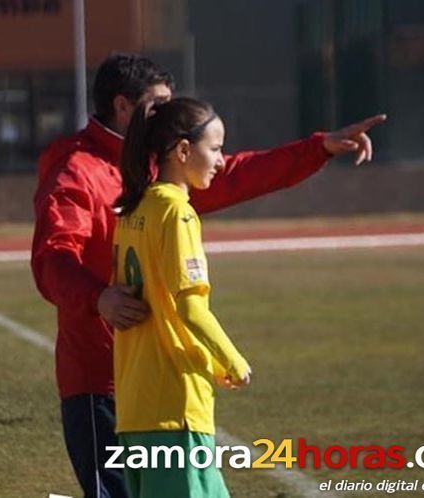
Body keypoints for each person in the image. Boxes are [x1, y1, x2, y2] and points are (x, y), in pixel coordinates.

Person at [31, 53, 385, 498]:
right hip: (100, 379)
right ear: (123, 107)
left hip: (156, 379)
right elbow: (52, 258)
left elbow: (234, 173)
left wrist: (318, 148)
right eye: (157, 106)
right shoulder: (77, 169)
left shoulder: (154, 171)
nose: (168, 116)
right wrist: (99, 297)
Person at [113, 97, 249, 497]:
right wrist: (233, 360)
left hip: (136, 403)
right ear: (184, 150)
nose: (222, 161)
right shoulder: (177, 214)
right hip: (173, 406)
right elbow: (191, 309)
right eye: (216, 148)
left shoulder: (132, 211)